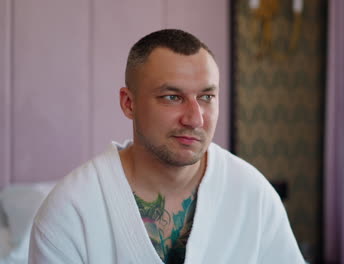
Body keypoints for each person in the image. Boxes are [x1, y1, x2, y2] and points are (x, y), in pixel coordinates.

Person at [28, 29, 304, 264]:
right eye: (172, 97)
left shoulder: (253, 195)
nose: (195, 118)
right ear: (129, 103)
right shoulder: (70, 211)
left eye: (207, 96)